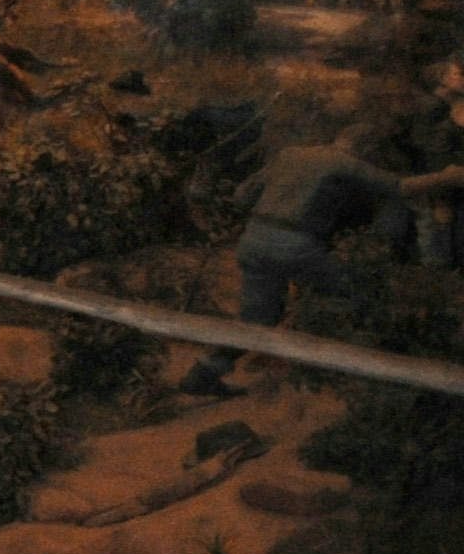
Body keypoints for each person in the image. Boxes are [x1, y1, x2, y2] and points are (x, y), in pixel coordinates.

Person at [182, 124, 464, 394]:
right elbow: (401, 187)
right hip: (295, 246)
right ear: (367, 149)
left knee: (256, 318)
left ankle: (204, 373)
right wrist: (449, 177)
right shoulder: (344, 162)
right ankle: (372, 377)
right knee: (364, 293)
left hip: (253, 242)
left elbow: (242, 195)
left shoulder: (291, 154)